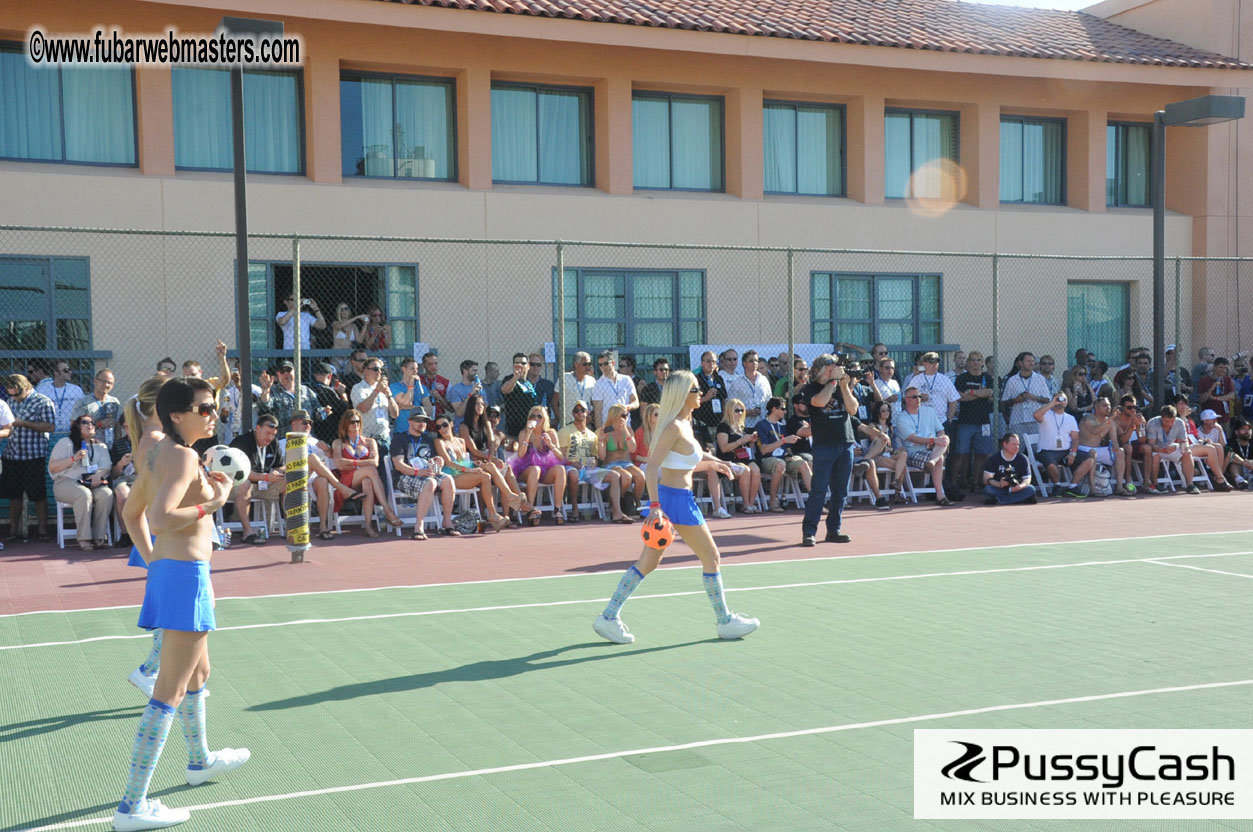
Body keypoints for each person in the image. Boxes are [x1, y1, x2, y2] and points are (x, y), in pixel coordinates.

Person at [111, 377, 248, 832]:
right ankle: (132, 806)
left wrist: (155, 562)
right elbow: (160, 517)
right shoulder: (183, 456)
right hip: (186, 576)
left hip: (176, 573)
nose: (213, 415)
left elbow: (131, 513)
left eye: (214, 407)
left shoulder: (160, 453)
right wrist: (216, 502)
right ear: (176, 415)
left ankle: (200, 760)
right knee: (167, 692)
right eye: (204, 408)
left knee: (199, 674)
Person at [591, 370, 757, 645]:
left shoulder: (684, 424)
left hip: (676, 498)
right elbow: (652, 467)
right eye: (695, 389)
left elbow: (687, 460)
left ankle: (608, 616)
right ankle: (725, 621)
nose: (700, 393)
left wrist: (720, 463)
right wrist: (655, 506)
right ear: (682, 394)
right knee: (712, 557)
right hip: (675, 500)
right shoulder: (673, 427)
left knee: (648, 563)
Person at [120, 377, 169, 699]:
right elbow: (155, 497)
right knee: (170, 613)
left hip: (166, 532)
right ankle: (149, 670)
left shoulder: (159, 438)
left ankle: (180, 677)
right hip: (162, 534)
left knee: (173, 611)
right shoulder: (154, 441)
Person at [799, 354, 860, 546]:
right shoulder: (811, 388)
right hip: (824, 445)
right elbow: (819, 402)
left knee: (840, 491)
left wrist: (844, 386)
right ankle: (809, 532)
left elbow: (853, 409)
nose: (836, 368)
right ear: (821, 369)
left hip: (845, 443)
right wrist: (833, 381)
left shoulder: (841, 386)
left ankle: (834, 530)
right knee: (818, 490)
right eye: (831, 365)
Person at [278, 410, 366, 541]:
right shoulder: (282, 443)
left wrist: (327, 450)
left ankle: (323, 527)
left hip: (311, 477)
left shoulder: (316, 442)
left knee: (323, 480)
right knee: (311, 458)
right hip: (292, 477)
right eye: (304, 423)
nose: (308, 426)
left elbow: (332, 462)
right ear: (294, 424)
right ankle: (291, 527)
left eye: (310, 423)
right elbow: (279, 466)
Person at [432, 415, 513, 531]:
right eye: (438, 427)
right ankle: (496, 511)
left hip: (463, 472)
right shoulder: (439, 442)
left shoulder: (460, 441)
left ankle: (497, 509)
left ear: (451, 424)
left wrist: (475, 464)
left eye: (444, 425)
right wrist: (470, 470)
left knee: (488, 471)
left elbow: (464, 461)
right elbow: (449, 463)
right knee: (485, 476)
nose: (442, 429)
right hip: (451, 475)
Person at [331, 409, 404, 537]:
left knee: (367, 482)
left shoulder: (370, 442)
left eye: (358, 421)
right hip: (348, 481)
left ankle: (368, 526)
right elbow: (340, 465)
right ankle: (387, 509)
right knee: (370, 470)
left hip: (366, 478)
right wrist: (364, 463)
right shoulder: (338, 443)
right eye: (352, 422)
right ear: (345, 424)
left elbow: (375, 462)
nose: (355, 424)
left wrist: (351, 462)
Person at [1, 374, 55, 542]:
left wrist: (24, 423)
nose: (14, 398)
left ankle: (42, 529)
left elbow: (50, 426)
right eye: (11, 394)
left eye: (17, 394)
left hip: (33, 454)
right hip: (12, 454)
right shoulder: (10, 401)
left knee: (37, 494)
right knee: (14, 494)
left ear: (25, 388)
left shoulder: (42, 401)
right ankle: (13, 530)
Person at [48, 413, 114, 550]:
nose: (90, 425)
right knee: (83, 494)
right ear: (77, 426)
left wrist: (98, 475)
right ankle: (84, 538)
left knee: (106, 494)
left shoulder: (100, 445)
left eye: (92, 423)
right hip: (66, 481)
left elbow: (106, 466)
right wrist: (73, 458)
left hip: (91, 482)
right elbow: (53, 468)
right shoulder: (65, 443)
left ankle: (99, 536)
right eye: (85, 422)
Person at [391, 408, 459, 539]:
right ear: (409, 421)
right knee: (431, 482)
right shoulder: (400, 439)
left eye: (425, 421)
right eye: (418, 420)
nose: (422, 423)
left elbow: (431, 462)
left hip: (425, 474)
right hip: (405, 477)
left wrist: (438, 462)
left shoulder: (428, 439)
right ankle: (419, 526)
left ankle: (447, 522)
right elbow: (399, 465)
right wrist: (417, 472)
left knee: (448, 479)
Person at [460, 393, 531, 516]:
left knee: (506, 469)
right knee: (491, 469)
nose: (480, 406)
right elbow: (473, 450)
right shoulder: (464, 427)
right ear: (471, 406)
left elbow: (492, 444)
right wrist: (491, 458)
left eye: (482, 404)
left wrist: (491, 458)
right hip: (472, 461)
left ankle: (516, 503)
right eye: (477, 404)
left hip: (487, 460)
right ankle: (516, 500)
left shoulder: (486, 424)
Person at [559, 400, 625, 523]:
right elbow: (560, 456)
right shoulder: (565, 431)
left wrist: (595, 460)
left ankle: (617, 512)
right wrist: (571, 463)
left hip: (588, 470)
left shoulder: (592, 435)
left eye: (582, 410)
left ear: (587, 412)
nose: (580, 412)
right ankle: (574, 509)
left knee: (615, 475)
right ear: (572, 413)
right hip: (571, 467)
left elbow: (598, 457)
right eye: (576, 410)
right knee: (573, 473)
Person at [227, 414, 284, 544]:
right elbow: (240, 473)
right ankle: (248, 533)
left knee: (290, 482)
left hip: (265, 483)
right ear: (257, 428)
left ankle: (292, 527)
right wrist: (266, 477)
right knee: (245, 483)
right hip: (240, 485)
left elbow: (281, 465)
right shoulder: (241, 442)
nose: (270, 437)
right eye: (267, 433)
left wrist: (278, 472)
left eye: (273, 434)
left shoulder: (273, 443)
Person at [510, 405, 570, 525]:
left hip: (546, 470)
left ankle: (557, 509)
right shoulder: (524, 433)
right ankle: (530, 509)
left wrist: (551, 445)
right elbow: (520, 455)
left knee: (560, 469)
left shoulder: (550, 433)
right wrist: (528, 434)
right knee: (535, 469)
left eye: (539, 416)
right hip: (527, 469)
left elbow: (560, 457)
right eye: (533, 416)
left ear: (544, 419)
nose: (536, 418)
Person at [895, 385, 953, 505]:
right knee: (940, 459)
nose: (918, 399)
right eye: (914, 397)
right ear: (906, 399)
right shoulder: (902, 418)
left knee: (945, 438)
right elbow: (913, 439)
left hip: (933, 449)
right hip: (914, 452)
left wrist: (938, 440)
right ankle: (940, 496)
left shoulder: (929, 411)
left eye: (919, 396)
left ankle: (932, 462)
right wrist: (933, 441)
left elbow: (940, 430)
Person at [756, 396, 812, 512]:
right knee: (780, 464)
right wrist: (783, 441)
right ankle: (773, 501)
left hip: (783, 459)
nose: (785, 411)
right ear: (774, 409)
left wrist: (789, 455)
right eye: (782, 409)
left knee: (803, 464)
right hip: (768, 459)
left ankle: (816, 501)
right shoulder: (761, 425)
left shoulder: (782, 426)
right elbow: (764, 450)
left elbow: (787, 448)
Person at [1033, 392, 1094, 497]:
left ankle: (1073, 486)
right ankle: (1057, 485)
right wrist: (1052, 403)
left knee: (1089, 460)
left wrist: (1073, 453)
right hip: (1047, 451)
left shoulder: (1070, 418)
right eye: (1058, 399)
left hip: (1066, 451)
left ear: (1066, 403)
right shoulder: (1046, 414)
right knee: (1051, 465)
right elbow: (1036, 415)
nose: (1060, 402)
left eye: (1063, 399)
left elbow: (1075, 438)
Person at [951, 352, 995, 494]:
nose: (976, 363)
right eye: (973, 360)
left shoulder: (987, 378)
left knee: (981, 454)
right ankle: (955, 483)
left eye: (979, 360)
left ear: (982, 363)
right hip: (965, 422)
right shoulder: (961, 378)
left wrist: (970, 392)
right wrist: (979, 394)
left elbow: (990, 392)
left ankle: (976, 483)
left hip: (983, 422)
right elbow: (959, 397)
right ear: (968, 362)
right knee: (960, 453)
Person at [1076, 397, 1133, 496]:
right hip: (1083, 449)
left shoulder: (1110, 422)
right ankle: (1093, 489)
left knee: (1120, 452)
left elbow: (1114, 440)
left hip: (1098, 450)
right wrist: (1112, 417)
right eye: (1105, 405)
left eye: (1109, 405)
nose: (1108, 407)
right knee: (1093, 453)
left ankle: (1119, 487)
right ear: (1096, 407)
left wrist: (1115, 447)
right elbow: (1095, 430)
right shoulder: (1088, 418)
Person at [599, 403, 646, 519]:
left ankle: (636, 503)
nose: (624, 418)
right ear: (614, 416)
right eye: (622, 415)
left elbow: (633, 449)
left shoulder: (628, 429)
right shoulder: (605, 430)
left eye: (626, 416)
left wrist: (625, 430)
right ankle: (614, 505)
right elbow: (602, 456)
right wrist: (601, 441)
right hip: (611, 464)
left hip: (627, 462)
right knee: (626, 477)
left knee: (640, 476)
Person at [716, 398, 763, 513]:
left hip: (743, 458)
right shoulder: (723, 427)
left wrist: (751, 441)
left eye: (742, 410)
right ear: (729, 411)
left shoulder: (741, 427)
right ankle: (745, 504)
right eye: (737, 410)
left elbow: (746, 447)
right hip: (728, 460)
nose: (740, 413)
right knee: (745, 470)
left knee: (756, 470)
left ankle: (751, 503)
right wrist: (741, 441)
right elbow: (724, 448)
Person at [1142, 404, 1198, 494]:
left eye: (1172, 421)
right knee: (1155, 456)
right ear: (1162, 417)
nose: (1169, 424)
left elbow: (1183, 440)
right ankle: (1155, 483)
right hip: (1156, 449)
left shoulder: (1179, 422)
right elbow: (1151, 444)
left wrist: (1184, 447)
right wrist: (1163, 450)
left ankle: (1190, 485)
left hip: (1171, 446)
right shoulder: (1153, 423)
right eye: (1166, 421)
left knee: (1187, 453)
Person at [351, 358, 400, 459]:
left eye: (381, 369)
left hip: (384, 438)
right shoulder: (358, 388)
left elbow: (395, 414)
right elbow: (363, 408)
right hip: (366, 439)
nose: (379, 372)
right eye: (375, 369)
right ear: (365, 371)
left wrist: (389, 396)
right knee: (369, 466)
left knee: (385, 467)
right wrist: (377, 391)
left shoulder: (383, 388)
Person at [258, 360, 320, 429]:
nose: (286, 373)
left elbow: (317, 411)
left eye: (288, 370)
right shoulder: (273, 391)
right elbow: (265, 406)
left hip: (306, 433)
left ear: (295, 372)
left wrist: (323, 412)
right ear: (278, 374)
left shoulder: (306, 390)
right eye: (282, 371)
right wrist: (265, 389)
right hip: (284, 434)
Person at [1001, 353, 1051, 438]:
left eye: (1033, 361)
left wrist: (1034, 397)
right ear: (1020, 363)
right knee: (1018, 445)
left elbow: (1047, 400)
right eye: (1028, 361)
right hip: (1018, 421)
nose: (1031, 363)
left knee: (1036, 445)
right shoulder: (1012, 380)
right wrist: (1016, 400)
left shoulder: (1040, 379)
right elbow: (1004, 402)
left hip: (1035, 420)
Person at [1184, 404, 1233, 490]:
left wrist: (1219, 431)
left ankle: (1218, 476)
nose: (1215, 421)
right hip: (1192, 449)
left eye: (1215, 419)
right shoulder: (1197, 429)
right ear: (1205, 421)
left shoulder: (1216, 428)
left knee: (1220, 447)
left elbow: (1223, 445)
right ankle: (1220, 478)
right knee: (1211, 448)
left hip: (1203, 449)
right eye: (1212, 419)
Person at [867, 400, 909, 502]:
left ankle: (895, 481)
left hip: (888, 453)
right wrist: (892, 450)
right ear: (878, 412)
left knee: (903, 454)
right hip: (877, 455)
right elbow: (877, 444)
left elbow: (891, 446)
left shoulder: (890, 426)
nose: (886, 412)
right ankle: (897, 494)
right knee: (901, 467)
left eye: (888, 410)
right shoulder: (873, 426)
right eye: (883, 411)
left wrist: (896, 450)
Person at [71, 368, 122, 449]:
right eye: (103, 381)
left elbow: (118, 425)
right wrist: (99, 424)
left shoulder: (114, 402)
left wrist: (118, 445)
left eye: (109, 383)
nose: (106, 385)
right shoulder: (84, 402)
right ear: (95, 381)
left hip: (111, 447)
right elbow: (74, 425)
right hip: (91, 447)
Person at [982, 433, 1038, 505]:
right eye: (1014, 444)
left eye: (1018, 444)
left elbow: (1027, 479)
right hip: (999, 489)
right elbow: (986, 480)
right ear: (1005, 444)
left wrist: (1021, 486)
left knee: (1031, 489)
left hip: (1017, 489)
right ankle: (1017, 499)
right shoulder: (993, 458)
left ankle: (1000, 500)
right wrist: (999, 484)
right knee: (988, 490)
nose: (1017, 447)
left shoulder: (1023, 458)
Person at [591, 349, 639, 428]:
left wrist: (627, 407)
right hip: (609, 426)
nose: (603, 367)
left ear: (613, 363)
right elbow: (597, 412)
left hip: (625, 424)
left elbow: (636, 402)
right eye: (600, 365)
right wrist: (599, 431)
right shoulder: (598, 384)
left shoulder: (626, 379)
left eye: (605, 364)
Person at [728, 350, 773, 429]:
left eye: (756, 360)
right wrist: (746, 412)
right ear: (744, 363)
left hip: (762, 423)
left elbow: (769, 400)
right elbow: (731, 404)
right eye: (751, 361)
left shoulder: (764, 380)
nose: (754, 363)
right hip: (744, 424)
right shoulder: (737, 382)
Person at [693, 351, 728, 449]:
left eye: (714, 362)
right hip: (702, 422)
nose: (711, 364)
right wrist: (705, 398)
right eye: (708, 361)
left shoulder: (719, 378)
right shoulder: (696, 379)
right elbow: (690, 401)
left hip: (718, 422)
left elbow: (724, 399)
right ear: (702, 363)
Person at [501, 353, 540, 438]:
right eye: (517, 363)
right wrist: (515, 377)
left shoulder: (528, 383)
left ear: (528, 366)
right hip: (515, 431)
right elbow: (504, 390)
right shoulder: (510, 379)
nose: (520, 366)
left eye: (523, 363)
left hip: (530, 428)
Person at [42, 359, 85, 434]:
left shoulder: (76, 390)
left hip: (71, 432)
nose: (70, 372)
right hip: (50, 432)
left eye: (70, 370)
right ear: (56, 373)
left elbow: (83, 409)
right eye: (66, 370)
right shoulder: (43, 390)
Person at [392, 357, 432, 435]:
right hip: (402, 430)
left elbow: (429, 410)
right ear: (404, 369)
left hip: (420, 431)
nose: (415, 371)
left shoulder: (422, 388)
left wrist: (408, 407)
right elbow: (406, 402)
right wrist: (411, 385)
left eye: (416, 369)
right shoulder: (395, 387)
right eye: (412, 369)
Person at [1197, 356, 1237, 432]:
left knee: (1224, 436)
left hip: (1224, 416)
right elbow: (1201, 399)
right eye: (1221, 367)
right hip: (1209, 417)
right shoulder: (1204, 380)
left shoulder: (1227, 379)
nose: (1223, 370)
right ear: (1214, 367)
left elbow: (1232, 395)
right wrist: (1212, 387)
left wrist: (1216, 398)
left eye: (1225, 368)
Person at [561, 352, 598, 428]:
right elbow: (555, 402)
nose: (588, 367)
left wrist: (591, 416)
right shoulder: (565, 378)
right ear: (576, 365)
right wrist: (561, 419)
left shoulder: (592, 380)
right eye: (585, 364)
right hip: (568, 424)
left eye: (589, 364)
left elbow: (595, 403)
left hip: (586, 424)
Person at [447, 359, 482, 430]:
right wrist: (471, 394)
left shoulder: (479, 388)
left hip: (477, 427)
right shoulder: (455, 390)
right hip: (461, 427)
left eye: (476, 371)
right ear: (465, 371)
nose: (476, 374)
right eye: (473, 371)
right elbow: (459, 413)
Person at [418, 352, 451, 419]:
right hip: (421, 419)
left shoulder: (445, 382)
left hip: (439, 420)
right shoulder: (418, 381)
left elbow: (451, 409)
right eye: (430, 364)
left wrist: (440, 398)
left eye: (435, 363)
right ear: (423, 365)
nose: (434, 366)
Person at [1225, 418, 1253, 489]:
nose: (1247, 431)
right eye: (1243, 429)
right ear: (1236, 432)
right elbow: (1230, 455)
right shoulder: (1231, 443)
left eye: (1249, 429)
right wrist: (1244, 462)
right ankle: (1240, 481)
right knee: (1233, 464)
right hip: (1238, 469)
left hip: (1251, 468)